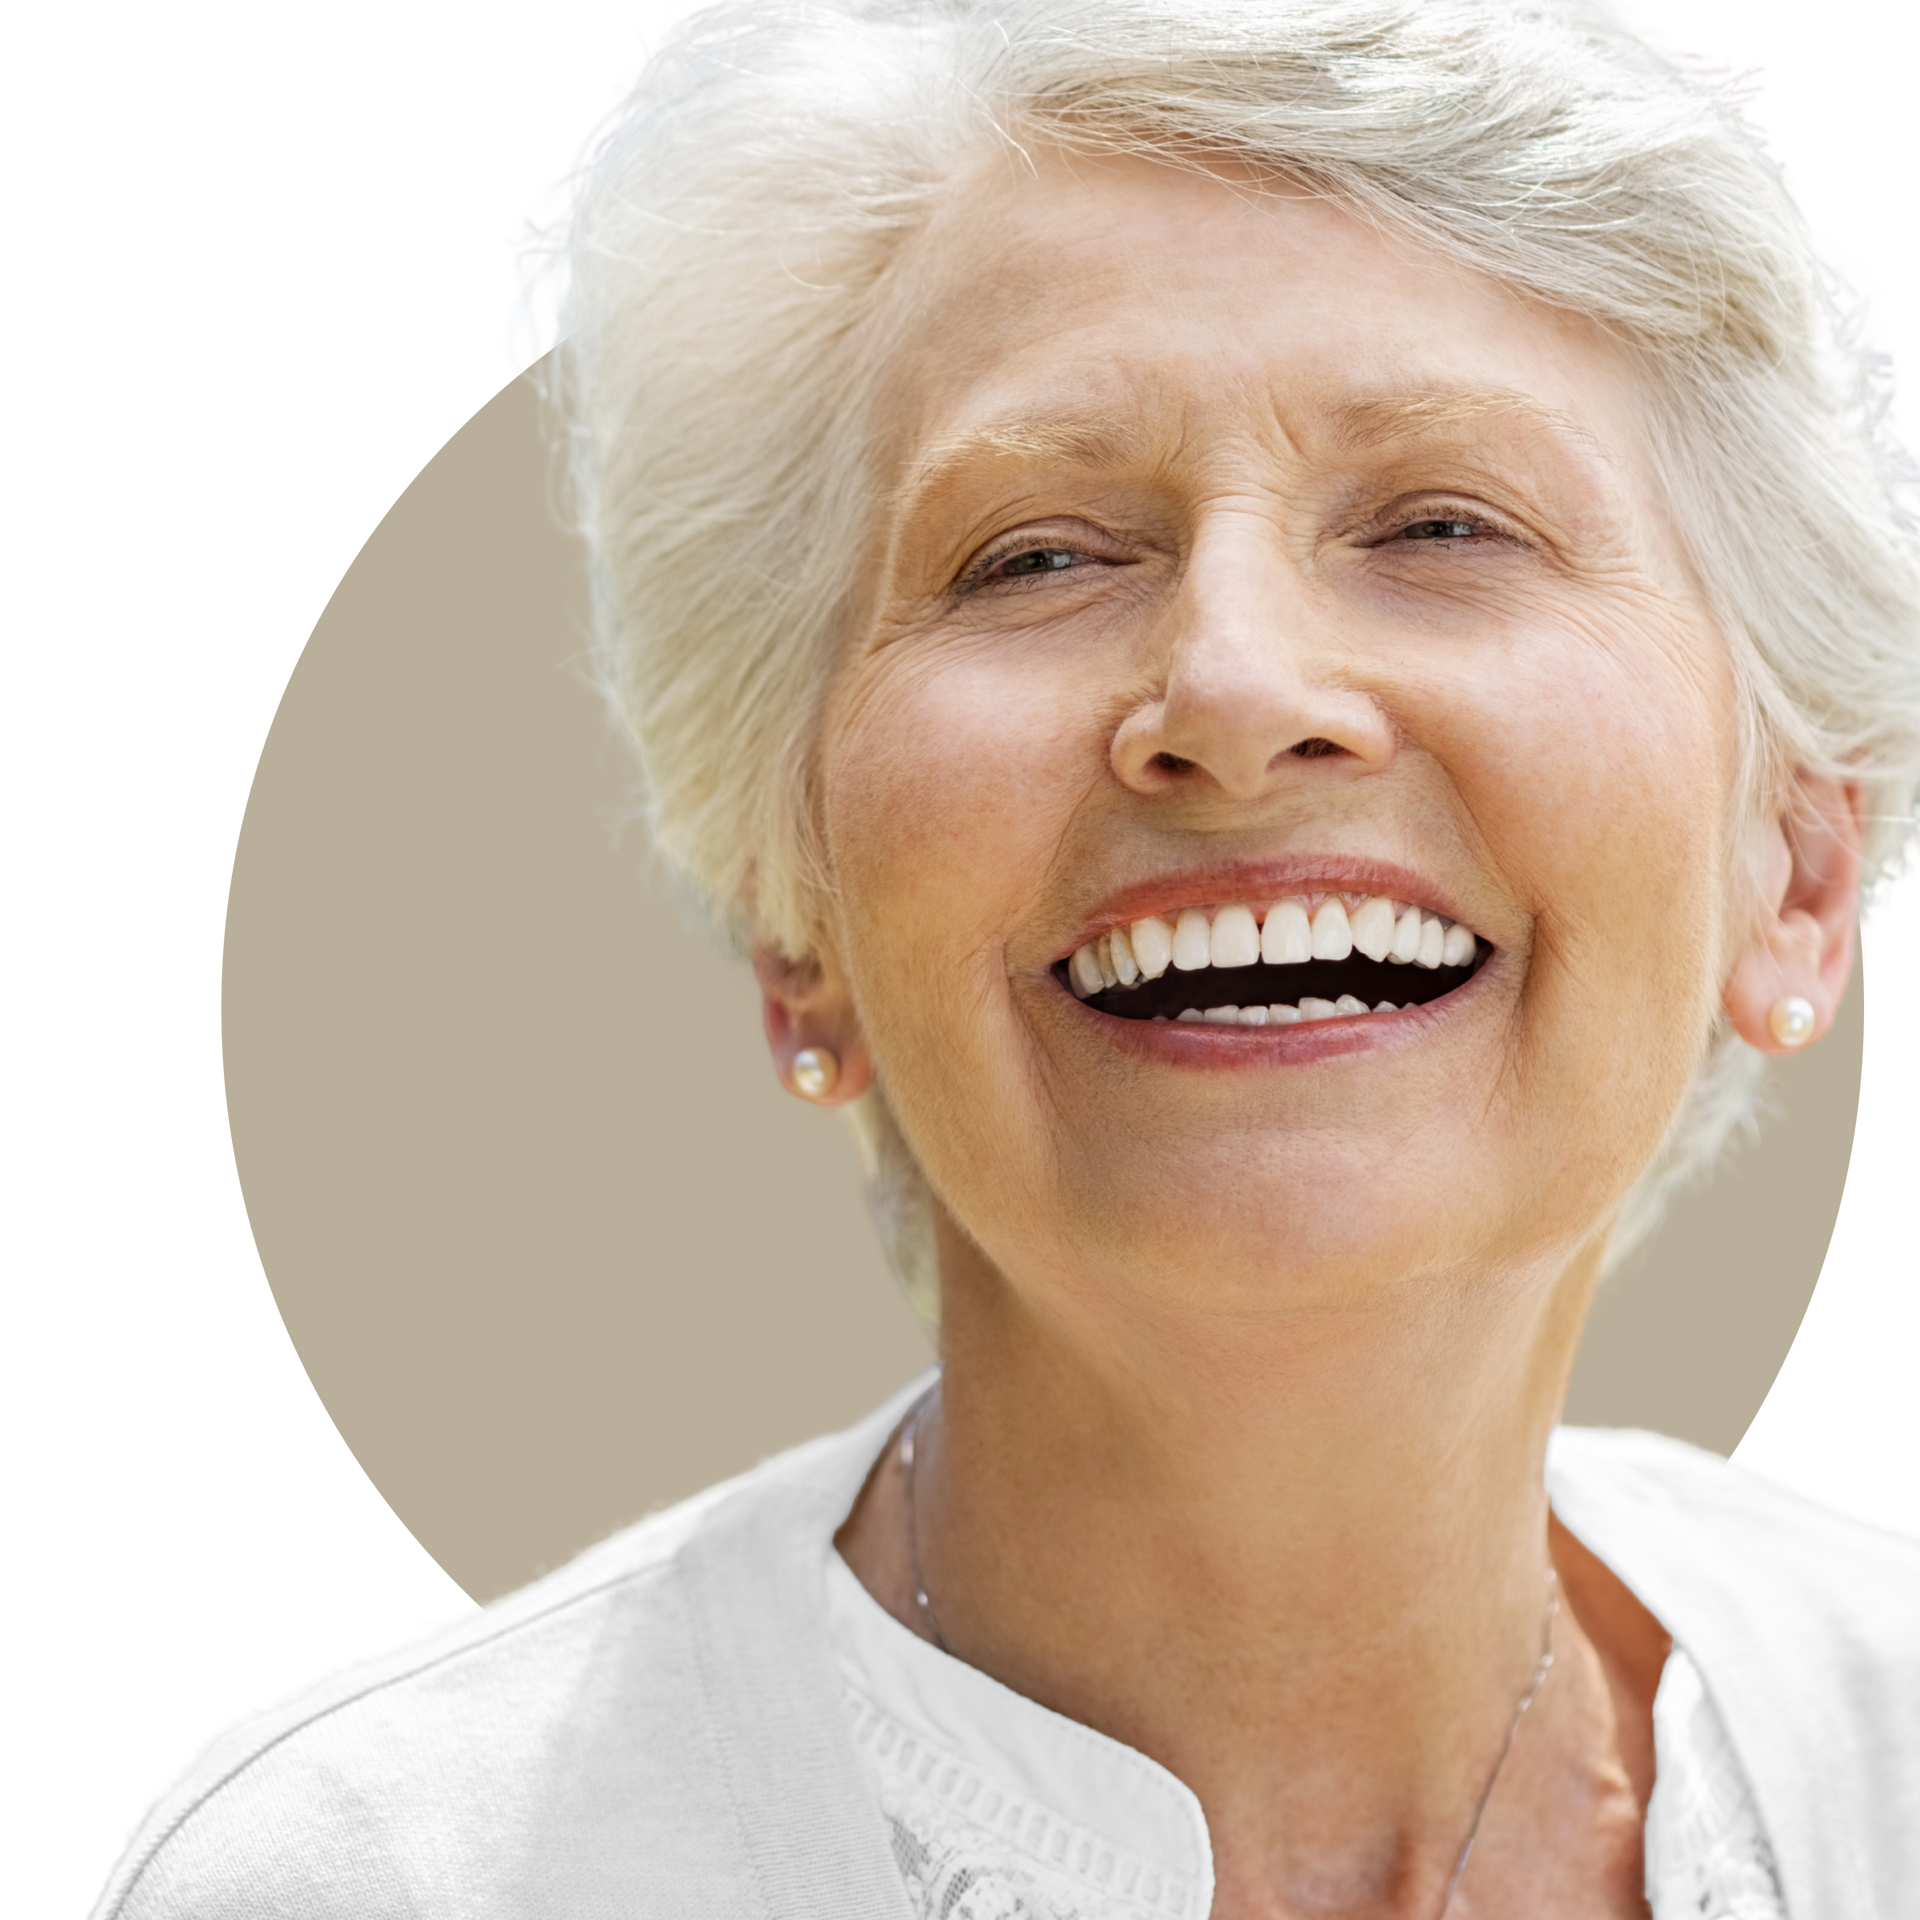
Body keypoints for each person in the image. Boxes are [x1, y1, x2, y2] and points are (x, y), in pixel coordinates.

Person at [95, 3, 1919, 1915]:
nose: (1231, 687)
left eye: (1443, 522)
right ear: (794, 922)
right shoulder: (377, 1881)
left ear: (1794, 875)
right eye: (1036, 557)